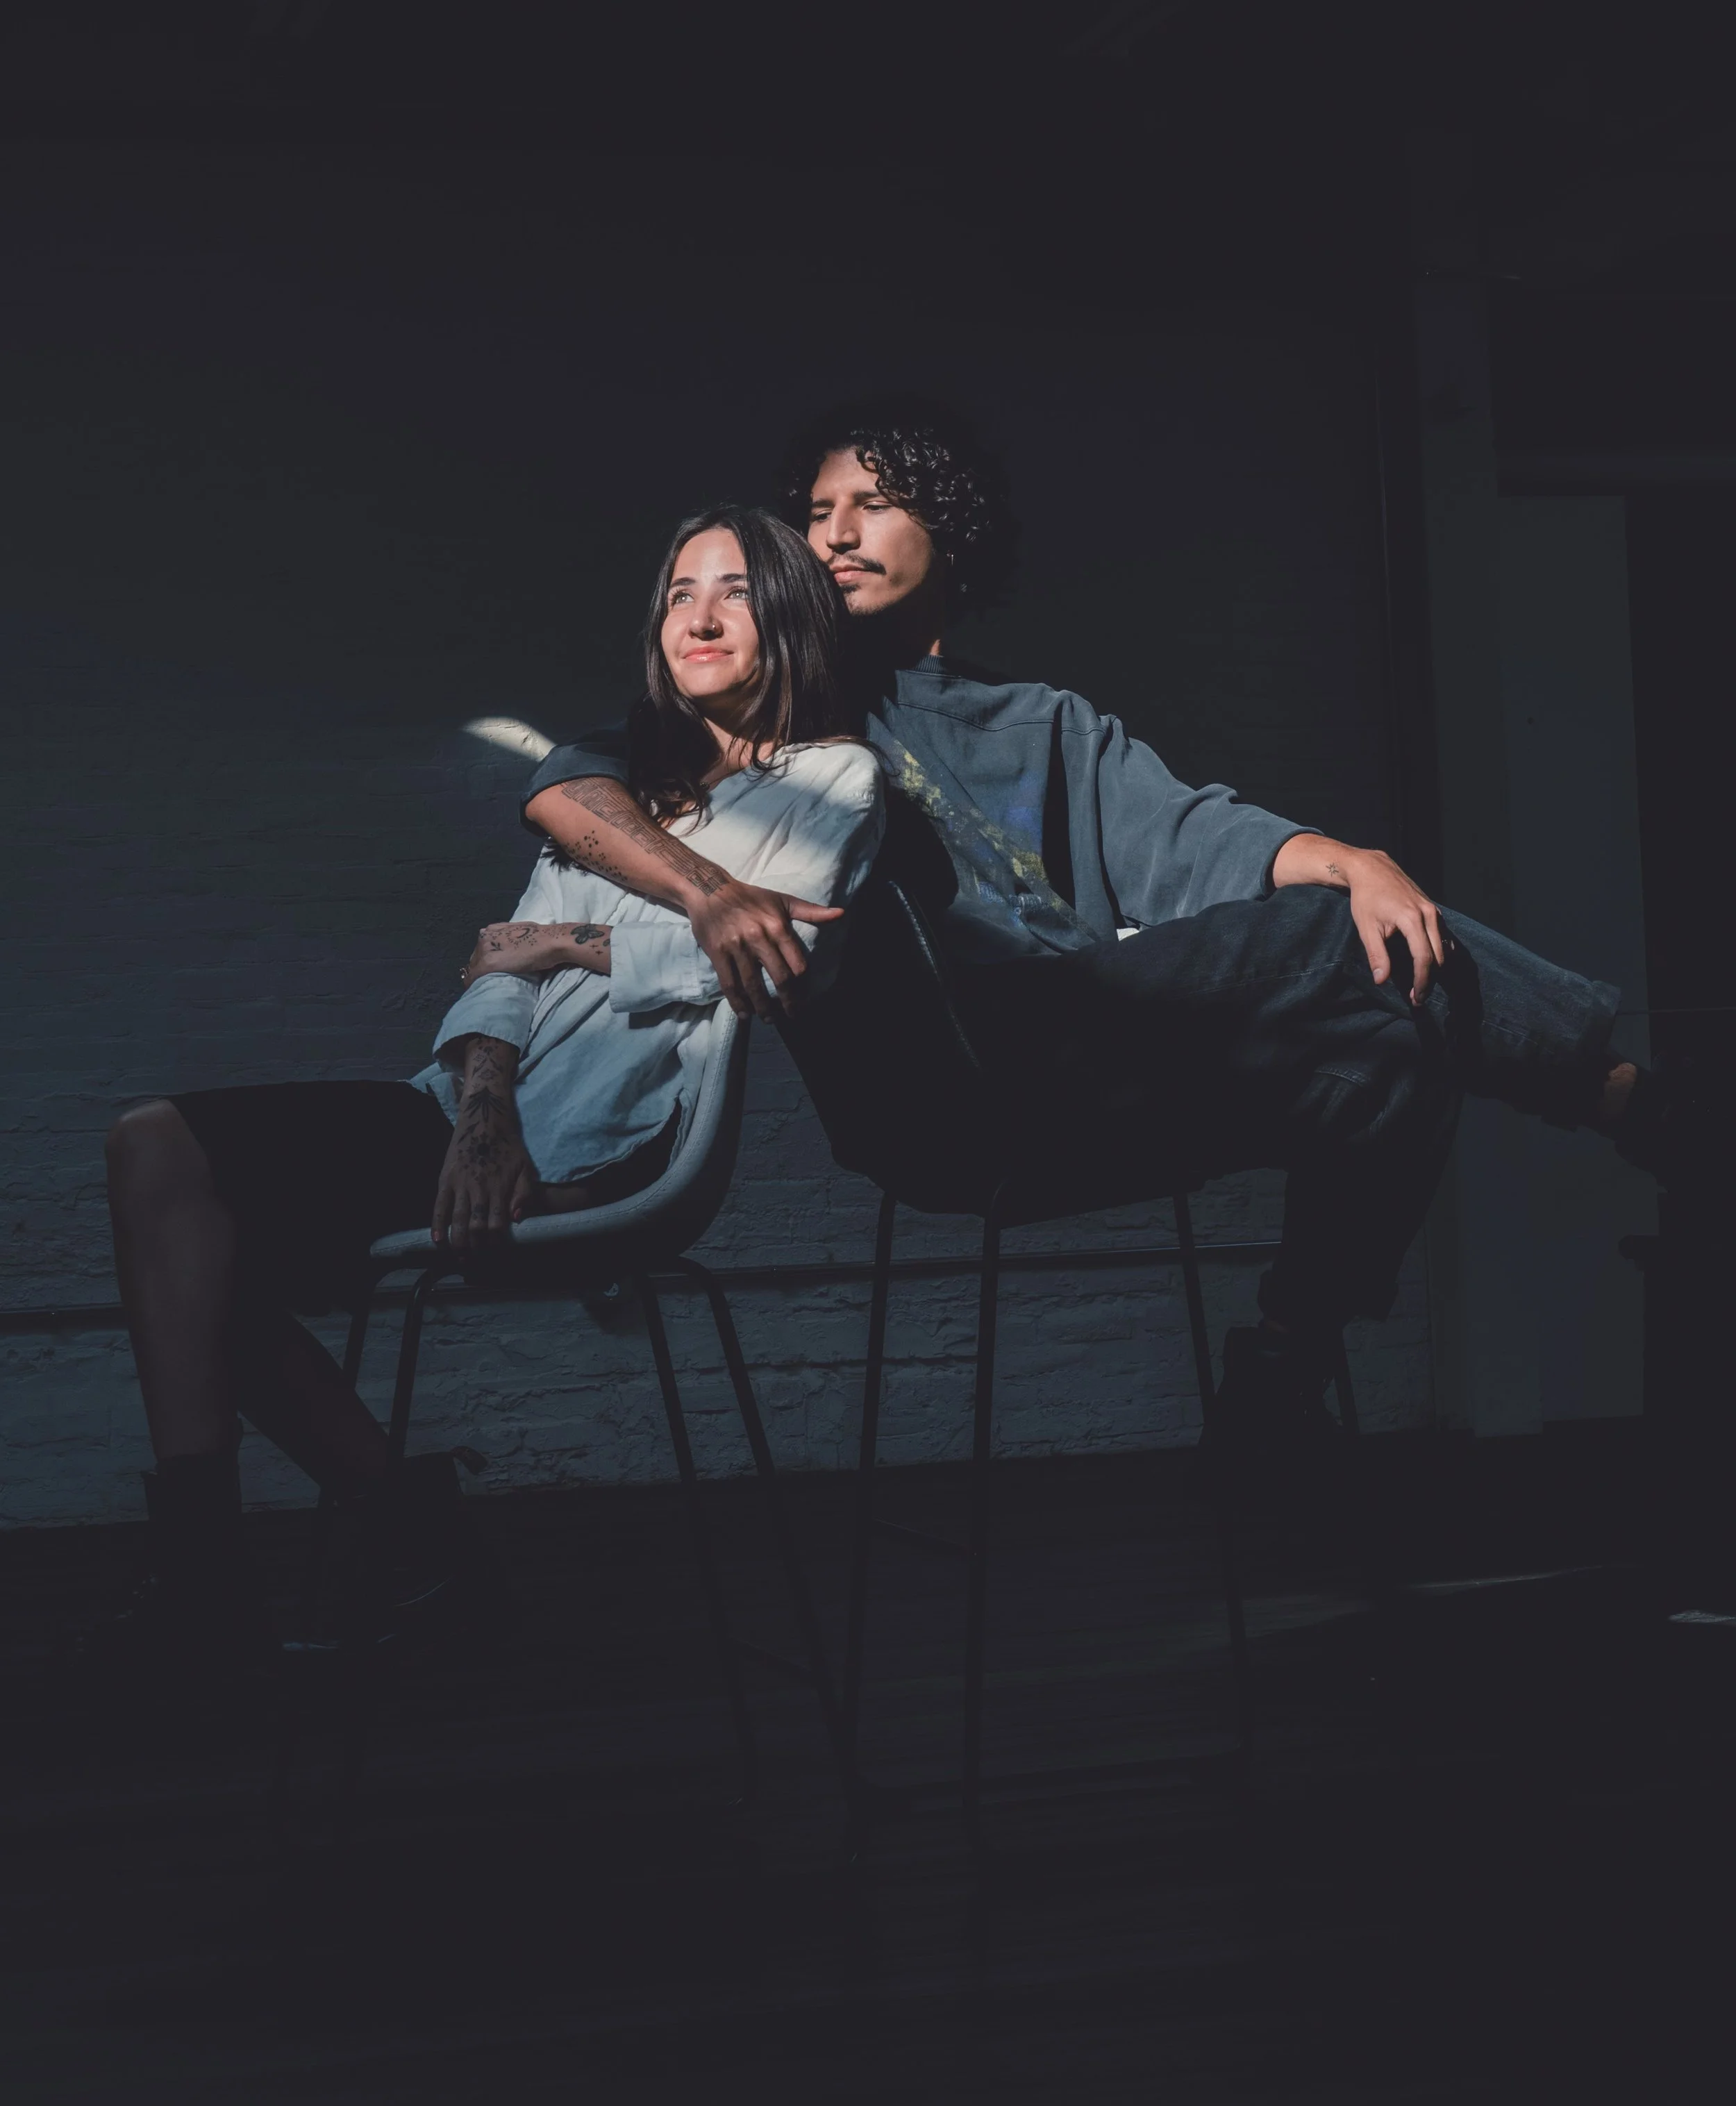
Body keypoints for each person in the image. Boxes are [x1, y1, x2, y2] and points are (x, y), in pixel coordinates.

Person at [519, 397, 1705, 1460]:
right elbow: (568, 787)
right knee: (1334, 935)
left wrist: (1358, 860)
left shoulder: (1044, 723)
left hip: (1093, 1067)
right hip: (939, 1092)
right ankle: (1644, 1110)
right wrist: (708, 890)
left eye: (871, 504)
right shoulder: (780, 701)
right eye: (818, 512)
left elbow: (1194, 837)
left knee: (1391, 1048)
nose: (834, 534)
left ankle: (1281, 1362)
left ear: (949, 528)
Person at [101, 507, 883, 1685]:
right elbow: (493, 975)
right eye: (679, 593)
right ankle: (288, 1564)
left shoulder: (835, 779)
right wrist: (482, 1112)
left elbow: (768, 964)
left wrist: (561, 942)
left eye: (734, 589)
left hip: (613, 1150)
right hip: (471, 1110)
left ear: (789, 612)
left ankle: (386, 1551)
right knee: (158, 1158)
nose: (701, 616)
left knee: (198, 1236)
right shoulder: (624, 789)